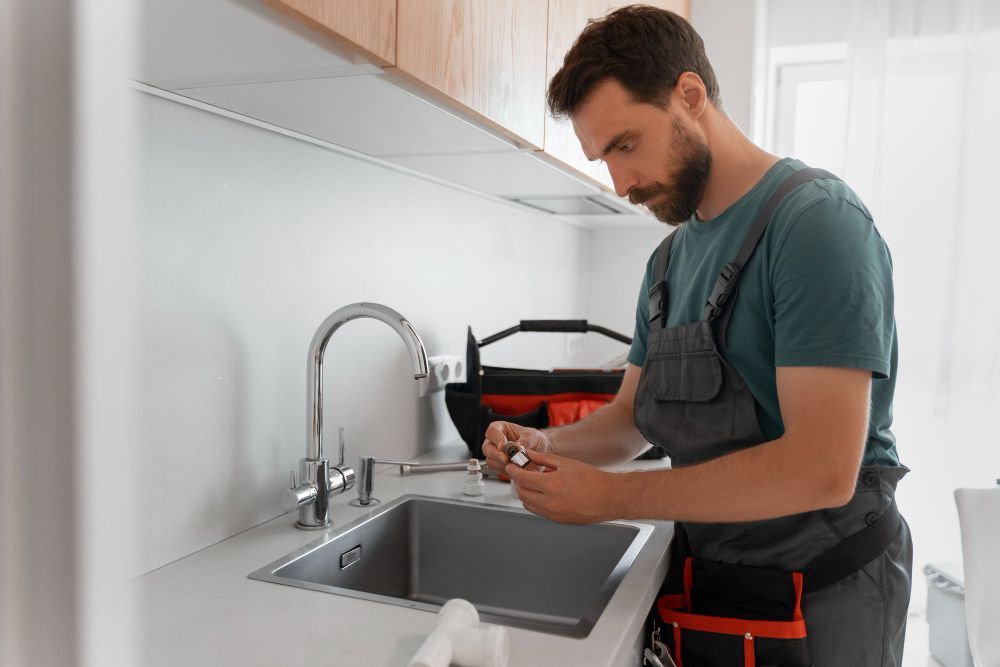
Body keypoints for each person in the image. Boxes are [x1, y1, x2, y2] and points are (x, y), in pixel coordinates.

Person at [481, 6, 911, 666]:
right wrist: (546, 443)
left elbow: (822, 467)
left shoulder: (816, 226)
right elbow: (630, 420)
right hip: (718, 589)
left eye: (626, 145)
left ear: (689, 95)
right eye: (604, 158)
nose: (620, 183)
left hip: (827, 596)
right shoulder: (668, 262)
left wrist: (611, 497)